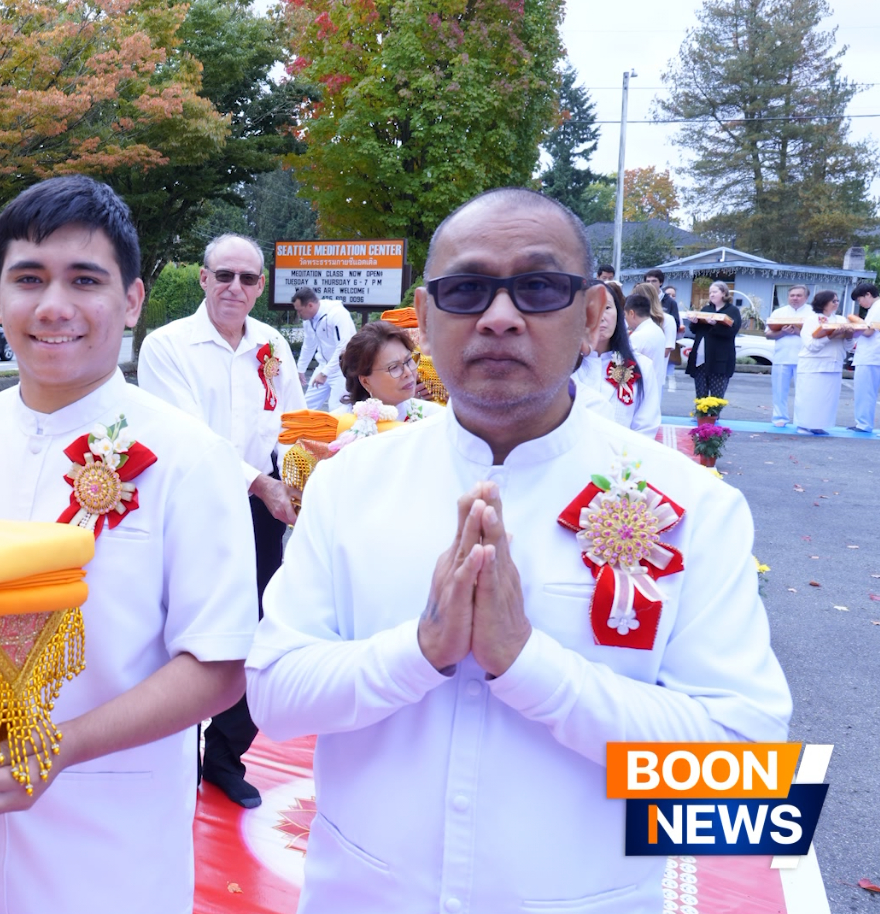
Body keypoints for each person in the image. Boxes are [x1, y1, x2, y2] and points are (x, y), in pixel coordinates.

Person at [245, 187, 792, 913]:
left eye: (537, 287)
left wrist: (529, 665)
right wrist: (420, 651)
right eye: (467, 289)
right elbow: (274, 699)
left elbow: (744, 767)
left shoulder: (694, 506)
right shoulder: (351, 484)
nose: (499, 317)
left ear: (594, 315)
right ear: (428, 317)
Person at [0, 175, 258, 914]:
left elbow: (220, 664)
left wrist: (59, 746)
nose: (54, 306)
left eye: (85, 280)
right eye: (29, 279)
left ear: (132, 300)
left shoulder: (188, 456)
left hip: (108, 827)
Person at [138, 232, 306, 809]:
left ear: (262, 287)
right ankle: (175, 758)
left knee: (260, 631)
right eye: (225, 276)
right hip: (191, 508)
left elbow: (292, 424)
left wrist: (310, 467)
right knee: (185, 635)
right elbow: (188, 440)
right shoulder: (167, 346)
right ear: (203, 279)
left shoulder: (272, 344)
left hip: (262, 513)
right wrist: (261, 483)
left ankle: (226, 758)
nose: (236, 288)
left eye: (249, 278)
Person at [574, 282, 660, 436]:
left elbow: (646, 427)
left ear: (618, 313)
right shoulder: (562, 367)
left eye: (606, 308)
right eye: (590, 308)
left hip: (623, 457)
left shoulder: (641, 366)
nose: (600, 317)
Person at [332, 319, 444, 420]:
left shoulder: (433, 416)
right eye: (394, 367)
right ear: (366, 381)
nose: (408, 372)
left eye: (409, 360)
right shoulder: (338, 424)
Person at [793, 289, 854, 436]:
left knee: (827, 399)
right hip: (813, 365)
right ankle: (804, 425)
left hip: (834, 365)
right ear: (823, 303)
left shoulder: (841, 320)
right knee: (809, 396)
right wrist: (830, 336)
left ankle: (819, 425)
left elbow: (849, 347)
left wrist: (849, 336)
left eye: (837, 300)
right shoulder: (811, 319)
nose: (836, 303)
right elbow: (811, 345)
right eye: (833, 301)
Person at [293, 287, 357, 412]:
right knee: (306, 406)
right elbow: (309, 344)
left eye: (299, 311)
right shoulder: (308, 320)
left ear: (310, 305)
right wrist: (300, 369)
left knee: (338, 409)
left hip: (343, 369)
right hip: (324, 365)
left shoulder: (337, 314)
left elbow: (344, 346)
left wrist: (325, 373)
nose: (298, 314)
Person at [683, 280, 742, 406]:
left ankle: (713, 420)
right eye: (710, 292)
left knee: (716, 397)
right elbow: (695, 331)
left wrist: (715, 325)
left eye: (715, 292)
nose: (711, 295)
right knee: (700, 394)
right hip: (701, 358)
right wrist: (694, 322)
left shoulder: (732, 311)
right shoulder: (706, 309)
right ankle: (701, 418)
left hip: (720, 359)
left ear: (724, 293)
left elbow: (731, 332)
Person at [763, 284, 813, 427]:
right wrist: (783, 332)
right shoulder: (779, 313)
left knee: (804, 392)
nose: (795, 298)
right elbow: (768, 334)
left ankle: (802, 420)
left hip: (804, 358)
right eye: (792, 295)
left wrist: (798, 332)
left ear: (806, 297)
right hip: (782, 357)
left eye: (799, 295)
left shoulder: (813, 314)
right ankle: (780, 417)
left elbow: (817, 336)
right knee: (779, 391)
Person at [849, 281, 880, 433]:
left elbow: (868, 331)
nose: (860, 303)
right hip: (871, 355)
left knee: (865, 391)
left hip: (872, 356)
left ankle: (864, 424)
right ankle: (862, 422)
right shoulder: (877, 307)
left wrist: (855, 324)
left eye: (860, 299)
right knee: (864, 391)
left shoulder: (878, 307)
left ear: (868, 295)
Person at [623, 290, 666, 423]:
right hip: (654, 386)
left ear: (631, 313)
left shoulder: (639, 336)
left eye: (625, 315)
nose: (626, 320)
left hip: (642, 390)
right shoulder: (656, 330)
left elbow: (626, 366)